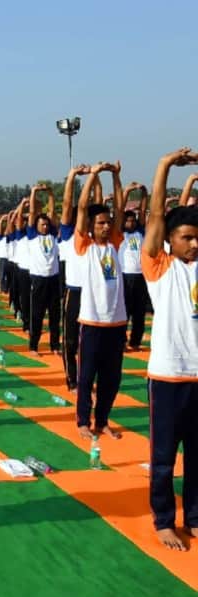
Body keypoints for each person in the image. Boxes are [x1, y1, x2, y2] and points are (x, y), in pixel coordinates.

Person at [142, 147, 198, 551]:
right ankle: (164, 520)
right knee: (163, 458)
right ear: (171, 241)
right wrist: (164, 166)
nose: (194, 245)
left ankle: (194, 517)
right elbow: (158, 215)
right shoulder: (159, 267)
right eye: (187, 238)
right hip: (166, 376)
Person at [74, 161, 127, 440]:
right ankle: (83, 420)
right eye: (101, 223)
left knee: (112, 378)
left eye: (108, 223)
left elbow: (120, 207)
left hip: (116, 322)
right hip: (93, 321)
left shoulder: (116, 243)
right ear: (92, 227)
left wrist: (116, 176)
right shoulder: (85, 245)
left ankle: (102, 419)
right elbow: (82, 208)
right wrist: (93, 174)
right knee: (86, 377)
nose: (106, 226)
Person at [59, 164, 91, 391]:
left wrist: (96, 177)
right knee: (70, 341)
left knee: (90, 342)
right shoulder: (69, 233)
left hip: (93, 293)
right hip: (74, 291)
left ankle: (88, 379)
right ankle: (72, 380)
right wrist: (72, 177)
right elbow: (68, 204)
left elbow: (92, 202)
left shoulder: (96, 236)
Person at [26, 185, 62, 356]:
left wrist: (50, 194)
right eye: (42, 225)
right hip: (38, 279)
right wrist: (34, 192)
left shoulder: (53, 235)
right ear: (37, 226)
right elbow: (33, 213)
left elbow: (52, 212)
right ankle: (33, 346)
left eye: (47, 225)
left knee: (55, 315)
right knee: (37, 315)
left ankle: (55, 345)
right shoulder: (32, 235)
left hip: (53, 278)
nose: (45, 227)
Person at [120, 183, 150, 351]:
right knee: (125, 310)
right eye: (128, 220)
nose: (131, 223)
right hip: (125, 275)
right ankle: (122, 340)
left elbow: (143, 211)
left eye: (132, 220)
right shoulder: (119, 232)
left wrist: (144, 193)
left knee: (139, 312)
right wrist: (127, 192)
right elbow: (119, 210)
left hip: (140, 275)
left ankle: (135, 341)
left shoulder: (140, 231)